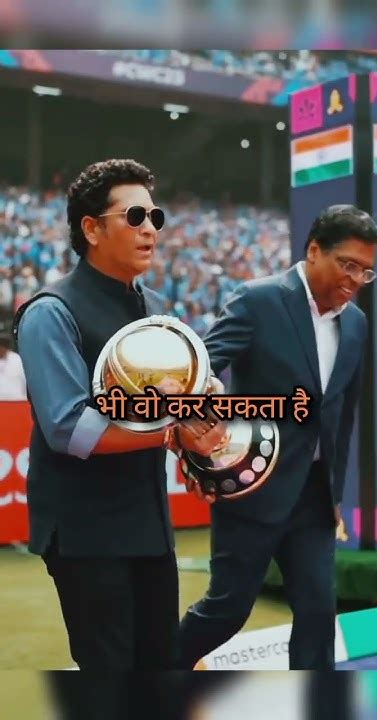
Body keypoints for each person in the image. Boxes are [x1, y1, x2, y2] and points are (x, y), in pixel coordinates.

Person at [13, 159, 225, 671]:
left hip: (149, 524)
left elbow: (182, 400)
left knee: (159, 666)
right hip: (85, 533)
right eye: (134, 216)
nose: (150, 228)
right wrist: (174, 434)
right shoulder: (50, 312)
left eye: (155, 216)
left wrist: (201, 428)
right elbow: (71, 429)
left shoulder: (157, 308)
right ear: (91, 228)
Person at [179, 204, 377, 670]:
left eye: (365, 271)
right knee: (227, 611)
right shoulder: (258, 300)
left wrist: (334, 493)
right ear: (314, 251)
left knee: (318, 614)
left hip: (313, 497)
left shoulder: (356, 323)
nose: (355, 279)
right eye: (347, 264)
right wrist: (202, 441)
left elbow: (342, 414)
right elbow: (201, 370)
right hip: (251, 486)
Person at [0, 321, 27, 400]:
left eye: (4, 343)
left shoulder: (18, 360)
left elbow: (26, 384)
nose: (1, 347)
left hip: (16, 403)